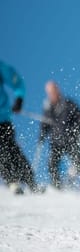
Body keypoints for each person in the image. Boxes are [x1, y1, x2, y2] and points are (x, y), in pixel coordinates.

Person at [39, 80, 80, 189]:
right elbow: (44, 123)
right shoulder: (48, 107)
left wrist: (74, 129)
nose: (52, 94)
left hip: (70, 140)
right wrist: (42, 135)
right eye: (49, 92)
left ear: (58, 90)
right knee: (52, 164)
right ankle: (57, 186)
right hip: (56, 141)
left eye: (53, 91)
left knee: (78, 163)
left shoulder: (68, 103)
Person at [0, 60, 39, 194]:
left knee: (11, 148)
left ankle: (30, 181)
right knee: (1, 151)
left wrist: (19, 99)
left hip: (2, 118)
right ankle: (12, 182)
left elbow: (16, 82)